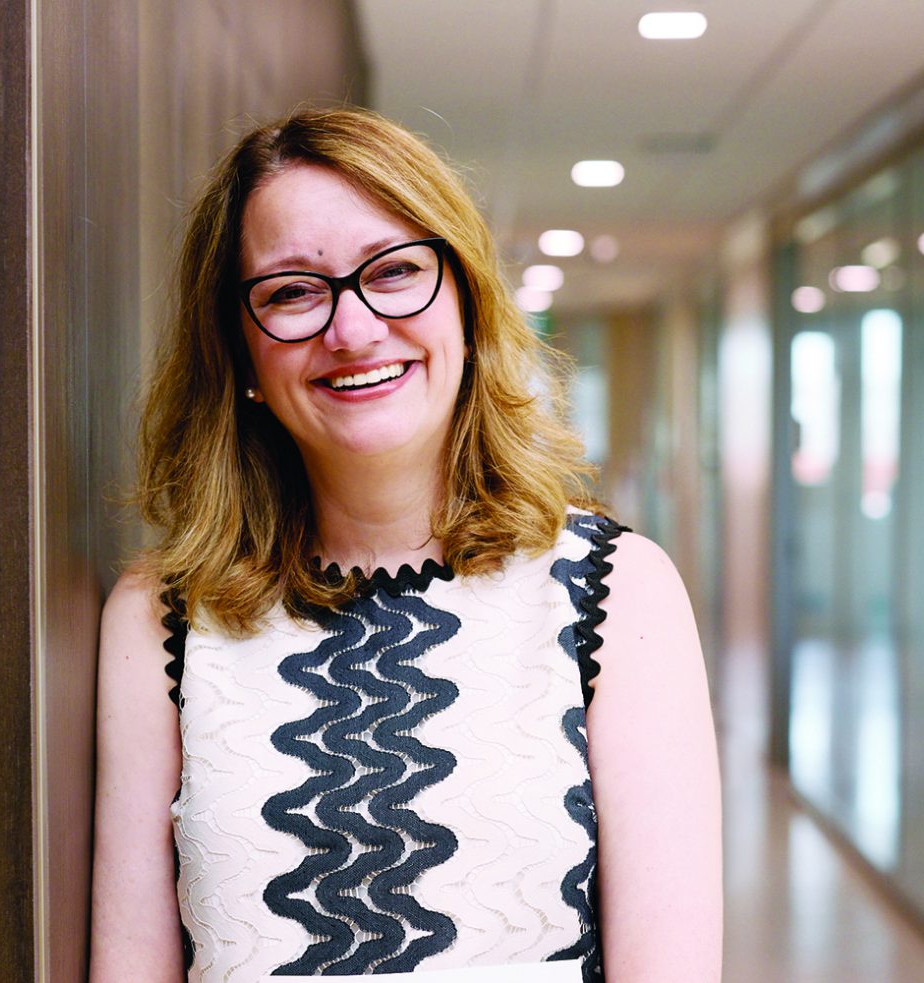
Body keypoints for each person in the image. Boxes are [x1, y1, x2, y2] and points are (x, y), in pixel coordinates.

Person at [90, 107, 721, 982]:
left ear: (465, 301)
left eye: (393, 272)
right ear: (239, 352)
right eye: (291, 292)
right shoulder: (161, 615)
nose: (351, 331)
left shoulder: (614, 591)